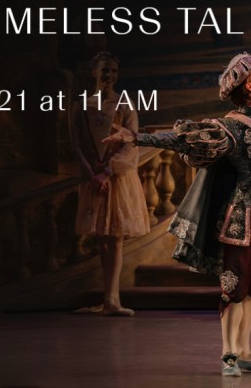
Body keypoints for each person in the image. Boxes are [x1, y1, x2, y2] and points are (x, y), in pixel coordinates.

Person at [103, 14, 251, 376]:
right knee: (233, 288)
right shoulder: (231, 125)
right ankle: (228, 353)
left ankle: (245, 351)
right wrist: (135, 137)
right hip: (241, 218)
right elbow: (184, 137)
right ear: (249, 87)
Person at [70, 51, 151, 316]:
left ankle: (113, 299)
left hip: (116, 178)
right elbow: (77, 144)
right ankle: (106, 298)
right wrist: (91, 173)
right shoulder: (81, 105)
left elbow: (131, 143)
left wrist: (107, 171)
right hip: (93, 179)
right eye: (105, 70)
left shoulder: (125, 104)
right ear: (94, 72)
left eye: (113, 71)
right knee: (102, 238)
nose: (109, 76)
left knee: (115, 237)